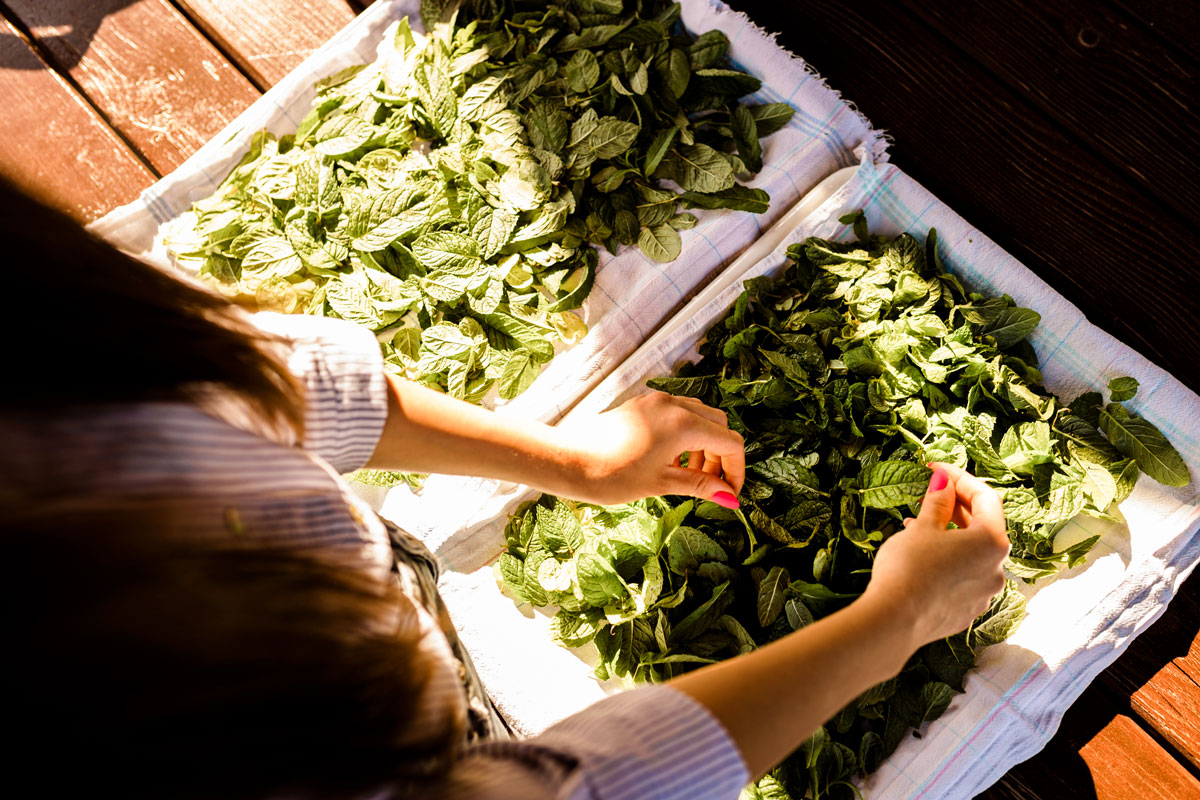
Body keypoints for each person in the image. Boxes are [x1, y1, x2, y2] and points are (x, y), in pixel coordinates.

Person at [2, 177, 1010, 799]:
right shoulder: (176, 739)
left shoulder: (56, 327)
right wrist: (898, 615)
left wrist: (569, 462)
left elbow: (278, 381)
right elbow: (569, 787)